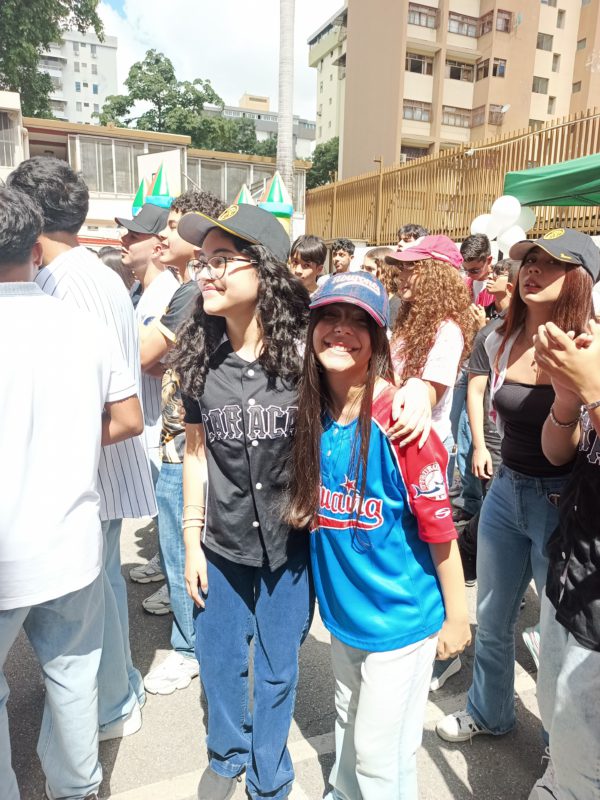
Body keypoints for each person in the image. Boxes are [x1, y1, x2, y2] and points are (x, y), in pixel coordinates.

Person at [172, 204, 432, 800]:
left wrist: (417, 387)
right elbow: (194, 452)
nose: (206, 273)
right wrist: (189, 538)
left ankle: (269, 774)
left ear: (262, 268)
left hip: (290, 546)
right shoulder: (198, 356)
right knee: (219, 661)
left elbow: (364, 378)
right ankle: (226, 754)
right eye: (203, 262)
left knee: (277, 669)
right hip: (220, 544)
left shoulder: (304, 359)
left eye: (221, 260)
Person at [286, 271, 471, 800]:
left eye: (358, 321)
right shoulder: (309, 411)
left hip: (401, 620)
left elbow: (440, 529)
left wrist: (458, 617)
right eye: (330, 316)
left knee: (378, 756)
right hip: (345, 617)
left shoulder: (402, 422)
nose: (341, 330)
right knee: (348, 722)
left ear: (378, 339)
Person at [0, 186, 143, 800]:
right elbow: (129, 418)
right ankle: (78, 789)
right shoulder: (83, 327)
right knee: (72, 681)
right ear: (35, 249)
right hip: (72, 543)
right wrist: (65, 442)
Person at [436, 228, 595, 744]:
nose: (533, 270)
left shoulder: (588, 346)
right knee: (491, 615)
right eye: (529, 260)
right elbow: (480, 393)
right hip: (506, 490)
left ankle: (559, 747)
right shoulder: (498, 336)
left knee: (558, 634)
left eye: (551, 263)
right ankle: (489, 712)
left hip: (561, 500)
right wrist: (480, 448)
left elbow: (568, 449)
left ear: (580, 278)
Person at [139, 189, 226, 694]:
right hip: (185, 440)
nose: (163, 235)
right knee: (182, 552)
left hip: (187, 447)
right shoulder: (193, 290)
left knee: (182, 554)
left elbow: (144, 354)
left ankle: (189, 647)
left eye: (174, 226)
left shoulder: (192, 291)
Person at [385, 235, 475, 691]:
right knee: (409, 544)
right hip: (397, 445)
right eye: (401, 267)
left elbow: (431, 390)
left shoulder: (447, 329)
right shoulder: (406, 320)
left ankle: (448, 642)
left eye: (412, 267)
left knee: (435, 543)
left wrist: (415, 389)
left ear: (438, 274)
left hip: (427, 451)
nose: (402, 274)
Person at [528, 289, 600, 800]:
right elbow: (557, 454)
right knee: (553, 703)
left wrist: (592, 390)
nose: (590, 332)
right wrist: (568, 401)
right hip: (569, 567)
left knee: (583, 743)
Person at [459, 259, 520, 586]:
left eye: (498, 273)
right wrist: (479, 446)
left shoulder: (542, 331)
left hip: (530, 445)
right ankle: (478, 558)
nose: (490, 277)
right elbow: (475, 389)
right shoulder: (490, 333)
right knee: (496, 509)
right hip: (494, 439)